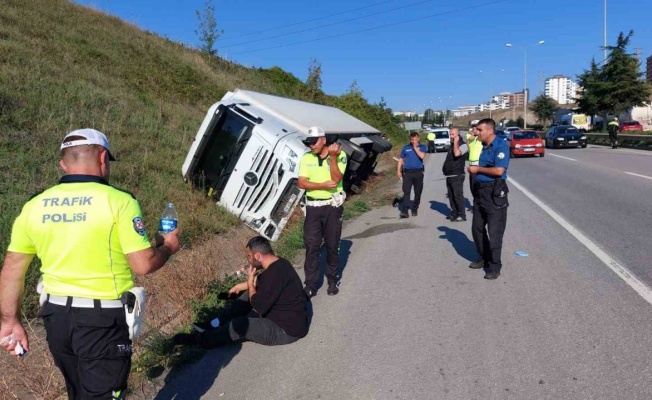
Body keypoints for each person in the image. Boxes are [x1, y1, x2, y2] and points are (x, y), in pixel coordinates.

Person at [0, 128, 180, 399]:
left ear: (64, 164)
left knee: (78, 392)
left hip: (55, 318)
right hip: (102, 321)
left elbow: (13, 267)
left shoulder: (34, 205)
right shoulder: (120, 201)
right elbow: (143, 264)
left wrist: (10, 321)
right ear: (103, 158)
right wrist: (167, 247)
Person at [173, 236, 308, 349]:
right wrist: (241, 286)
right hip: (291, 319)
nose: (248, 260)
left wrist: (249, 282)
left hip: (286, 330)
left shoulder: (272, 276)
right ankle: (215, 323)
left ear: (257, 255)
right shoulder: (280, 263)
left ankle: (199, 340)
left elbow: (259, 307)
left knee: (239, 325)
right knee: (246, 296)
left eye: (249, 256)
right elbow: (262, 281)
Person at [297, 126, 347, 298]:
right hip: (313, 207)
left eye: (313, 142)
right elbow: (302, 183)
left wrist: (332, 157)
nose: (311, 146)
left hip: (332, 207)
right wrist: (321, 186)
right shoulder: (307, 158)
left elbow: (335, 179)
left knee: (332, 245)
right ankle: (310, 284)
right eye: (308, 143)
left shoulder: (340, 155)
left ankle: (332, 280)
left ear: (324, 140)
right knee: (311, 246)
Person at [466, 119, 509, 280]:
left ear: (490, 131)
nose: (477, 132)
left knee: (495, 232)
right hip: (480, 191)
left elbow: (499, 170)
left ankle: (495, 266)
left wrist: (477, 169)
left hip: (494, 191)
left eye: (480, 130)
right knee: (477, 228)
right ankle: (484, 257)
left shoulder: (500, 146)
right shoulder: (484, 146)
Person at [396, 132, 427, 218]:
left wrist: (415, 148)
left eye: (415, 139)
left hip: (418, 173)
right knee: (406, 191)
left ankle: (415, 208)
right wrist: (398, 171)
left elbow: (422, 156)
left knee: (418, 192)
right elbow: (401, 159)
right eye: (412, 140)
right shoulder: (406, 148)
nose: (414, 141)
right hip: (408, 173)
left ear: (418, 138)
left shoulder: (422, 147)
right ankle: (405, 211)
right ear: (410, 139)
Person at [442, 128, 469, 222]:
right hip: (449, 175)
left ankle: (462, 215)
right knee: (451, 196)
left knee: (458, 196)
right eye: (450, 134)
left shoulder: (463, 145)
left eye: (453, 134)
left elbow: (457, 154)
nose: (451, 136)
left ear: (458, 135)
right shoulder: (452, 145)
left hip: (457, 174)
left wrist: (456, 142)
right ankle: (454, 213)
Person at [466, 123, 483, 196]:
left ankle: (479, 205)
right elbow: (468, 149)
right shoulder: (473, 139)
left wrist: (473, 135)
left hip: (478, 164)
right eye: (472, 128)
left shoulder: (480, 139)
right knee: (472, 186)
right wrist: (468, 140)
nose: (473, 130)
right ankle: (476, 204)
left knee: (478, 186)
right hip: (471, 164)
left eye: (475, 128)